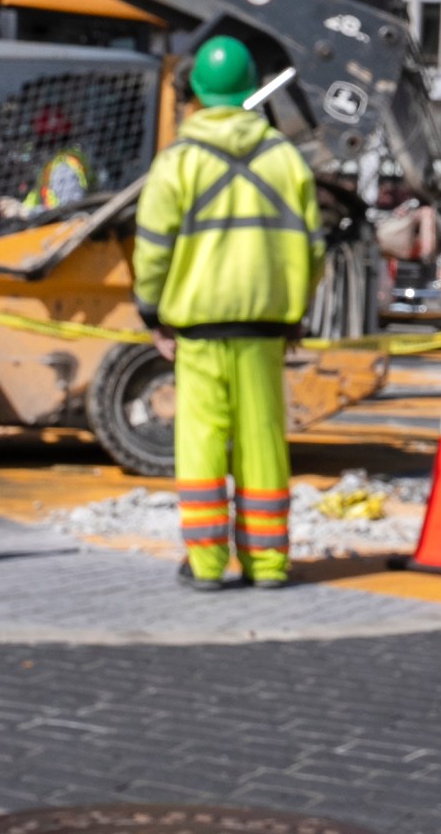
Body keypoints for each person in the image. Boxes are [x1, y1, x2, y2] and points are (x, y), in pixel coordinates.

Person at [132, 36, 323, 592]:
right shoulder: (287, 160)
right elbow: (313, 250)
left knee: (202, 441)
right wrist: (295, 314)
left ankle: (207, 564)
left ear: (196, 91)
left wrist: (152, 312)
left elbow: (152, 249)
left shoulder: (178, 164)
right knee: (264, 440)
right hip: (266, 329)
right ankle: (268, 564)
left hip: (198, 329)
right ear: (250, 89)